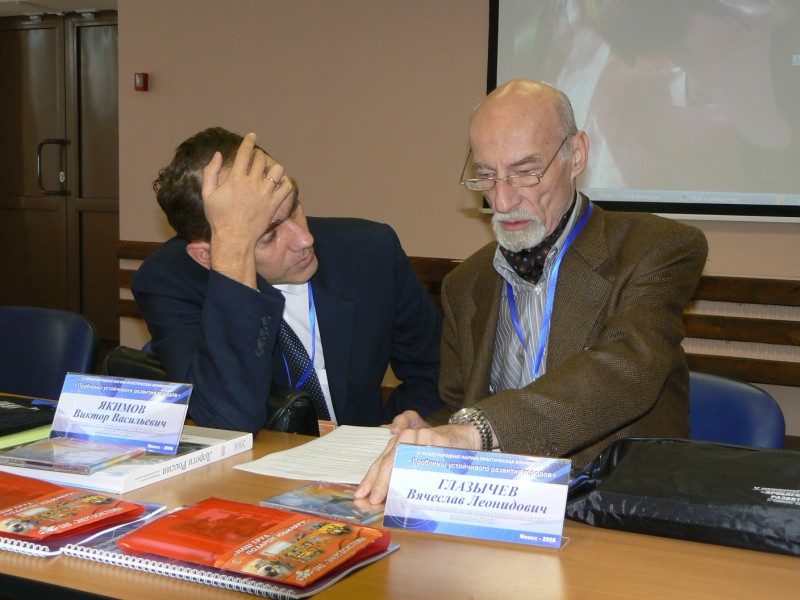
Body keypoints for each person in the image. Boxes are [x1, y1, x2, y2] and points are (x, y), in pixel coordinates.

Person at [356, 79, 708, 503]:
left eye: (525, 173)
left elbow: (625, 370)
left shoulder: (655, 249)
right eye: (487, 176)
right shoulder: (467, 283)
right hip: (498, 503)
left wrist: (477, 430)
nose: (503, 201)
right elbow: (459, 406)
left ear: (576, 155)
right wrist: (430, 429)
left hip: (619, 503)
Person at [132, 127, 442, 433]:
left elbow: (436, 372)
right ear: (207, 256)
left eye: (294, 208)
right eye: (268, 235)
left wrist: (389, 433)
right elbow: (229, 418)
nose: (305, 240)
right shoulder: (169, 281)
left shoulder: (370, 250)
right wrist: (233, 264)